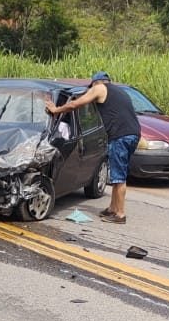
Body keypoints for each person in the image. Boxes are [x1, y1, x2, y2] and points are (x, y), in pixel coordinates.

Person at [45, 71, 140, 224]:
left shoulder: (99, 88)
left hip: (120, 136)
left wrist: (56, 110)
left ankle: (120, 214)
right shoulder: (118, 91)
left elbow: (75, 104)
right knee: (117, 174)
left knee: (119, 177)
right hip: (132, 134)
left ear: (96, 82)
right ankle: (112, 209)